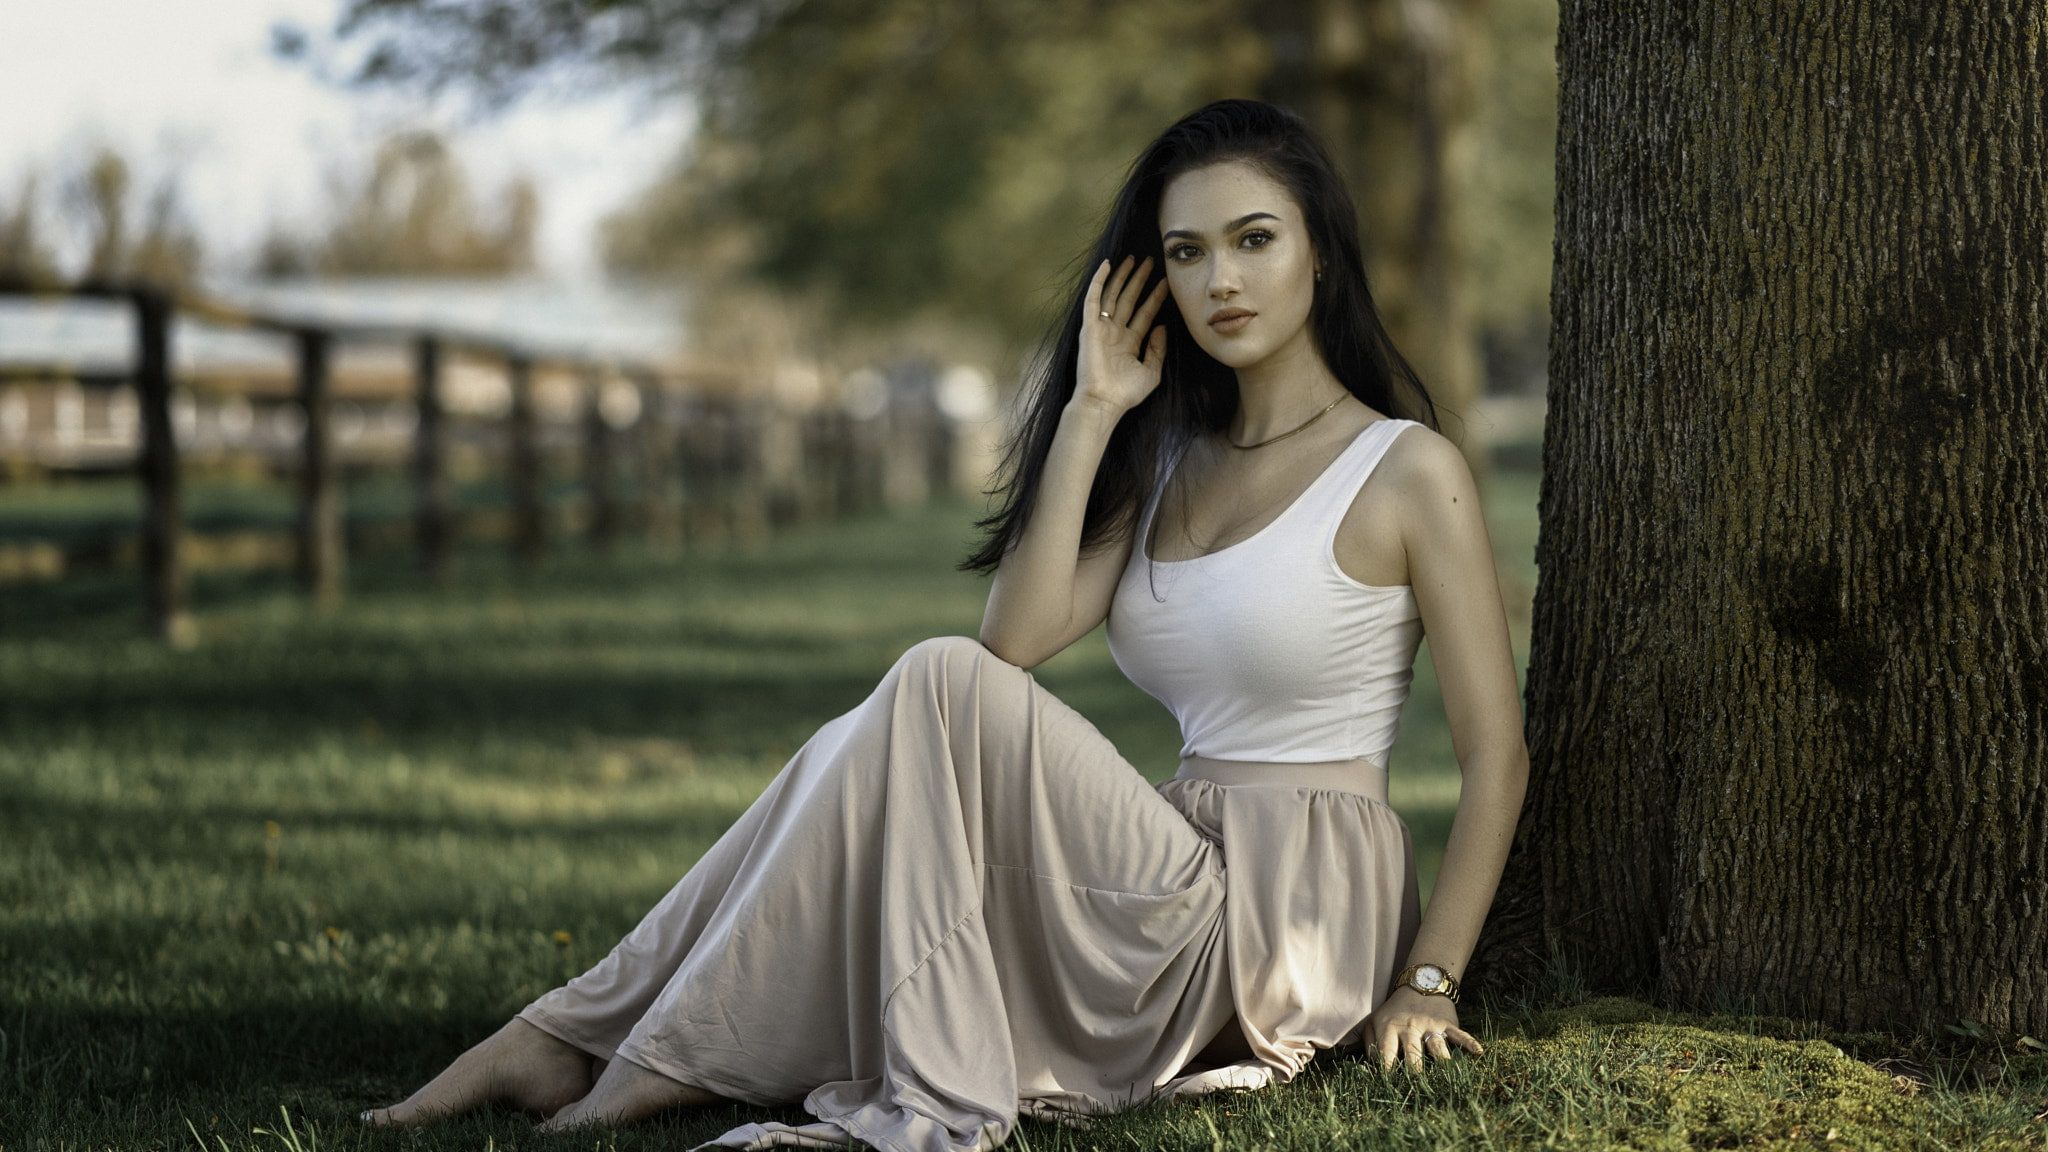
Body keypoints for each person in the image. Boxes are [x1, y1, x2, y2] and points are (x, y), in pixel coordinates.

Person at [360, 96, 1528, 1152]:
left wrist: (1429, 979)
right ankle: (580, 1035)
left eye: (1252, 239)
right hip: (1174, 873)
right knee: (859, 747)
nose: (1219, 278)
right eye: (1185, 252)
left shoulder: (1403, 468)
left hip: (1296, 916)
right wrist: (1091, 412)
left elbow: (1492, 752)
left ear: (1320, 253)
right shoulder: (1169, 459)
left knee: (926, 684)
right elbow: (1014, 639)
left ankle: (618, 1049)